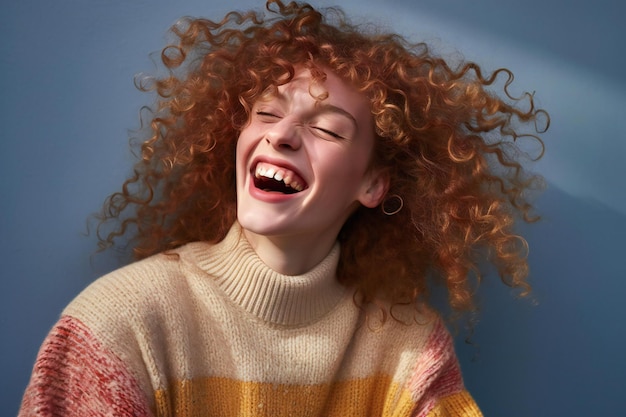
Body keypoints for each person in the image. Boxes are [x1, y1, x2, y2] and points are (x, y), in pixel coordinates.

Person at [19, 1, 548, 416]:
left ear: (372, 183)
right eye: (266, 113)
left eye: (325, 128)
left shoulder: (409, 347)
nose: (281, 135)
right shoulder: (121, 322)